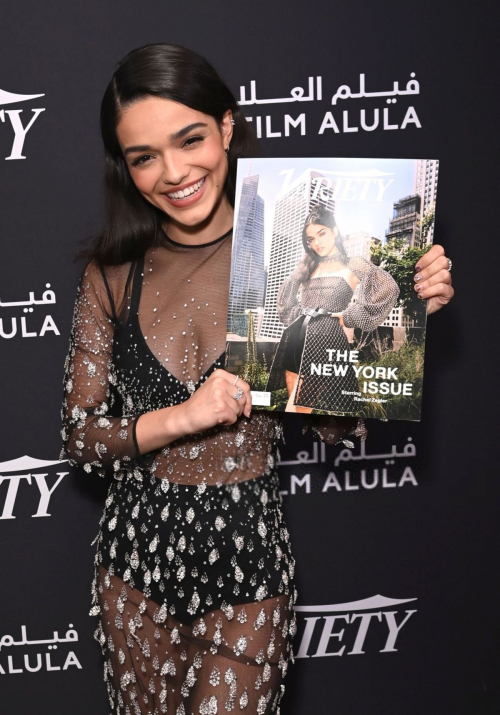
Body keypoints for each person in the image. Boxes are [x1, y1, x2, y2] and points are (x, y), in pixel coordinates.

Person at [60, 43, 454, 714]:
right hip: (133, 572)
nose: (174, 172)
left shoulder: (281, 272)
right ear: (124, 168)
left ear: (225, 127)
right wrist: (186, 414)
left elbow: (332, 422)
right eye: (144, 156)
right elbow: (81, 437)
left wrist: (412, 318)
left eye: (189, 139)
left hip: (249, 567)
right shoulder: (111, 275)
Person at [266, 205, 399, 414]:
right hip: (297, 338)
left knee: (297, 408)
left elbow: (388, 288)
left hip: (325, 340)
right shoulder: (308, 266)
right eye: (311, 239)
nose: (316, 243)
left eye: (322, 234)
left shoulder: (353, 263)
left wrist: (350, 316)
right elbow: (285, 298)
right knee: (295, 407)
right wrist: (299, 315)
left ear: (334, 231)